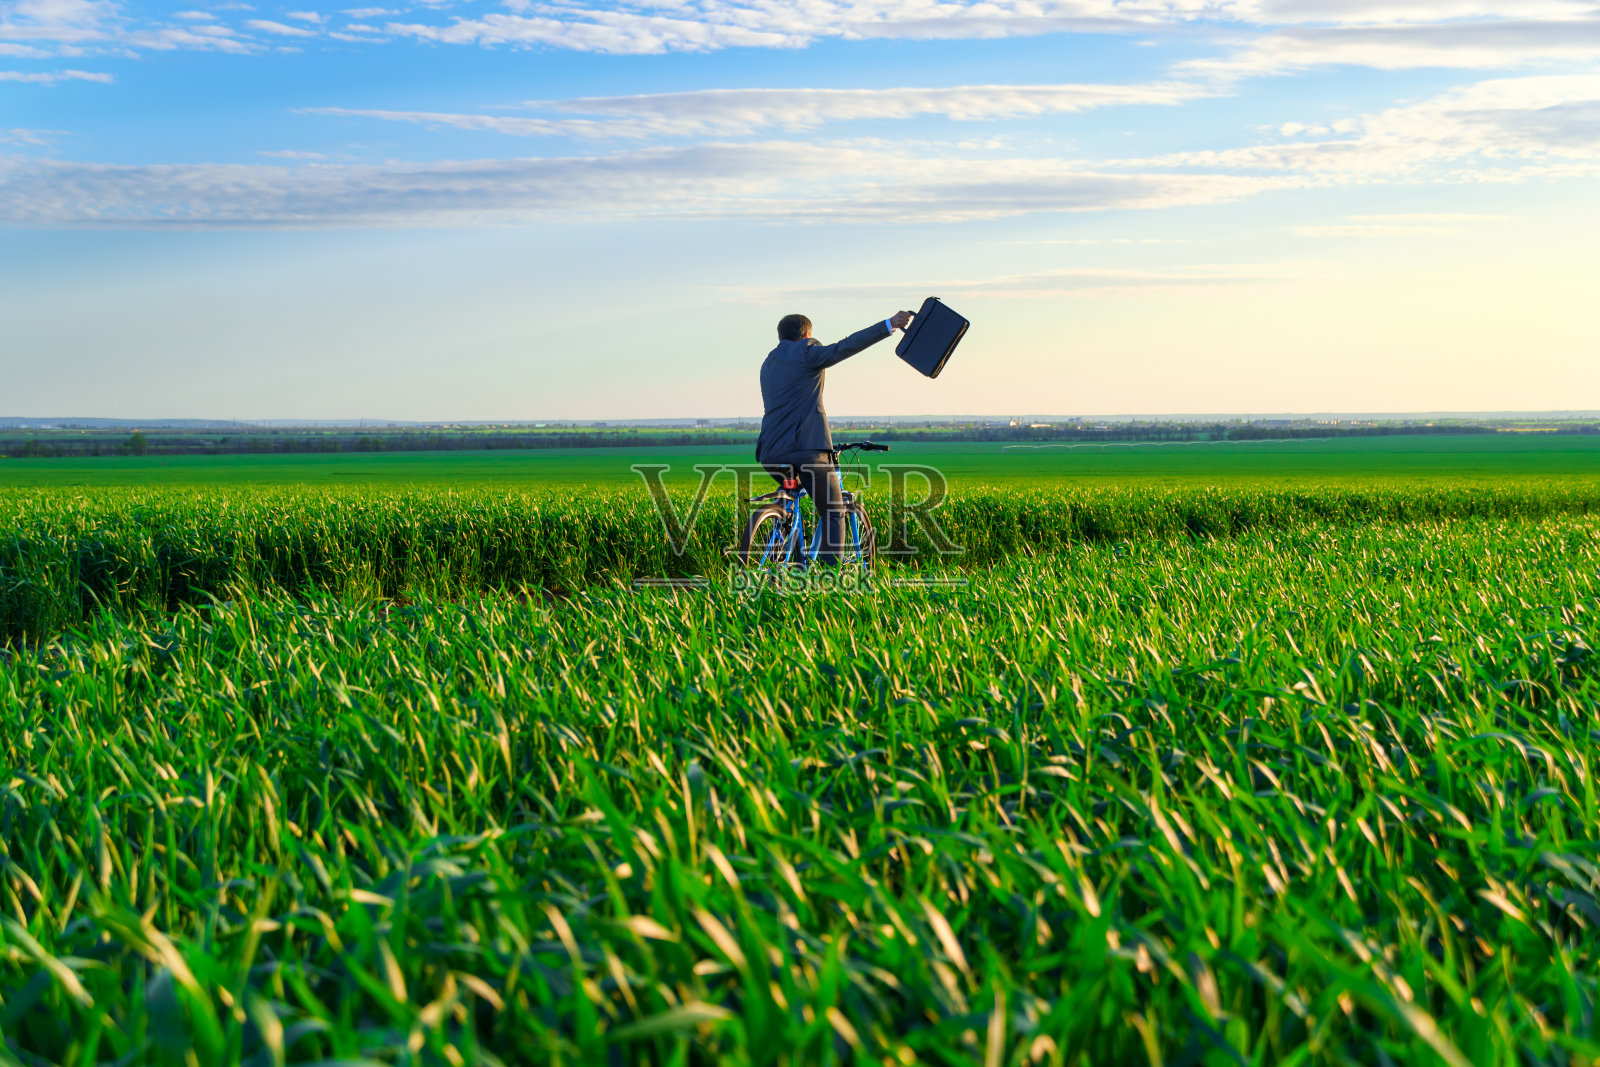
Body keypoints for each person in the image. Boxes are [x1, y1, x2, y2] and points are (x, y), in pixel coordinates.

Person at [756, 309, 914, 563]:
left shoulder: (769, 362)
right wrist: (889, 325)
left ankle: (794, 563)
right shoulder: (807, 352)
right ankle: (831, 580)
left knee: (793, 499)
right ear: (807, 334)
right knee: (833, 511)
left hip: (771, 452)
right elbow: (846, 346)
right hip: (807, 448)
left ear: (781, 337)